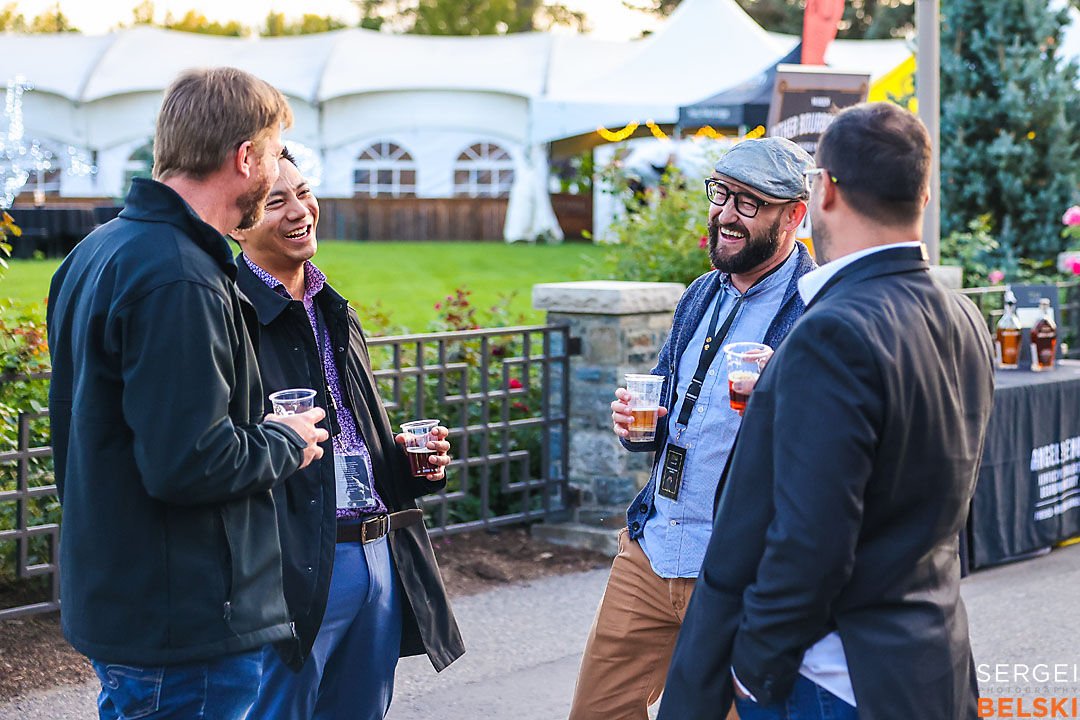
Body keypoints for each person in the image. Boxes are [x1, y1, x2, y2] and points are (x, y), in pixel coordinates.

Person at [657, 103, 994, 720]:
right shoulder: (965, 317)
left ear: (825, 190)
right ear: (923, 192)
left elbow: (810, 539)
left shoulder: (832, 330)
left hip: (833, 676)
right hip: (931, 659)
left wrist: (755, 668)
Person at [46, 68, 328, 720]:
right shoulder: (179, 275)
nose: (275, 170)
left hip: (129, 599)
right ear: (244, 156)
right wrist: (285, 441)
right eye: (273, 149)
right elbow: (188, 461)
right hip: (184, 620)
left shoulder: (100, 249)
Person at [568, 137, 818, 720]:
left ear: (795, 216)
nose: (727, 213)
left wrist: (776, 409)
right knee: (597, 712)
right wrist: (639, 427)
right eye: (722, 195)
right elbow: (667, 399)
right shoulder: (700, 294)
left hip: (737, 568)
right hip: (653, 548)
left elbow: (825, 447)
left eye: (750, 203)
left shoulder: (815, 309)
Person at [230, 149, 465, 719]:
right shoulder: (229, 313)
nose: (299, 211)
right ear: (237, 224)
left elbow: (355, 431)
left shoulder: (332, 304)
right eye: (275, 201)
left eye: (304, 193)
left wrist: (408, 464)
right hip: (294, 568)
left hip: (376, 550)